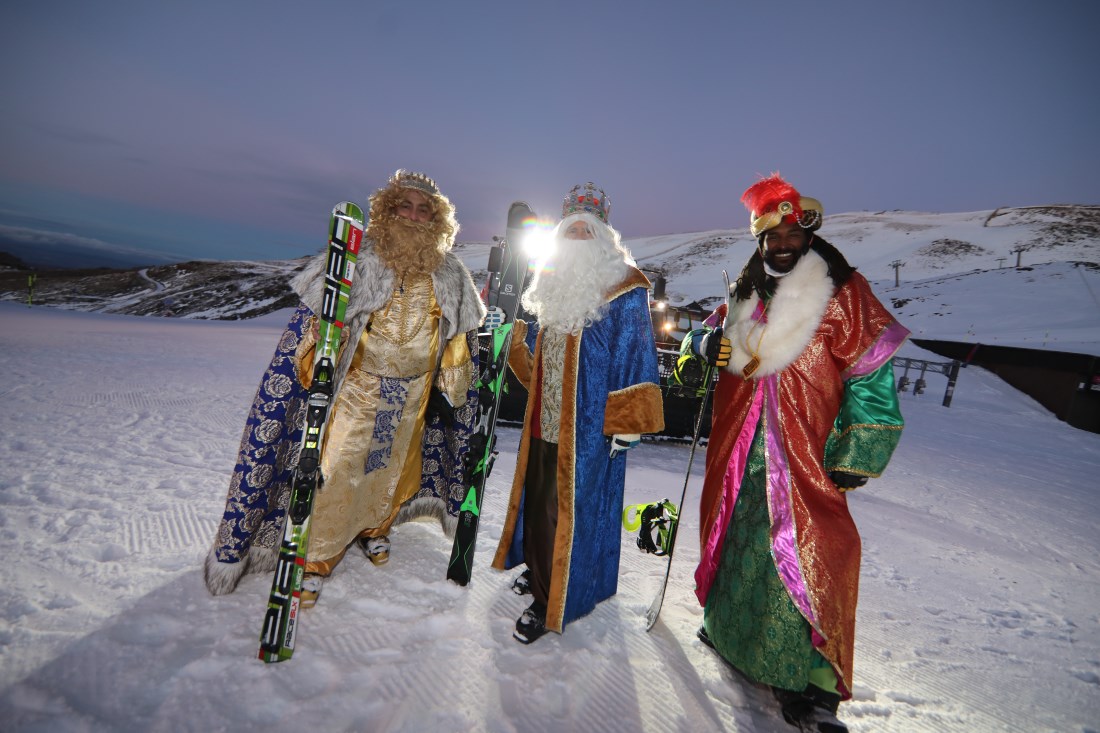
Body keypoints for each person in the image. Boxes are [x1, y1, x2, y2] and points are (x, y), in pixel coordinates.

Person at [687, 174, 908, 732]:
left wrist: (860, 448)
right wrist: (704, 348)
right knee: (738, 543)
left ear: (806, 233)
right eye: (772, 235)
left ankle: (816, 685)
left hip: (804, 454)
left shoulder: (843, 292)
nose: (783, 243)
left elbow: (873, 376)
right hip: (738, 452)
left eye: (792, 232)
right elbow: (701, 355)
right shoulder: (744, 292)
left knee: (814, 559)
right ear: (760, 240)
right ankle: (729, 634)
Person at [204, 170, 486, 606]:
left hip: (414, 393)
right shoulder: (358, 257)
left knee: (392, 471)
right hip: (360, 390)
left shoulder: (449, 271)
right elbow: (318, 321)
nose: (414, 215)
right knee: (337, 471)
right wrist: (310, 361)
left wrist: (455, 386)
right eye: (404, 206)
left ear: (437, 219)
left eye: (424, 209)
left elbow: (456, 338)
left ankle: (375, 529)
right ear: (388, 210)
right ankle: (315, 559)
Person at [491, 183, 665, 644]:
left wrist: (628, 423)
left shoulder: (625, 285)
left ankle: (556, 597)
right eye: (573, 229)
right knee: (540, 498)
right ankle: (543, 568)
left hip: (590, 427)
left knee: (570, 509)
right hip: (545, 420)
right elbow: (542, 358)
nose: (580, 237)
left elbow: (637, 355)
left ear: (605, 235)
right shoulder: (552, 282)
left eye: (589, 230)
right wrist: (513, 350)